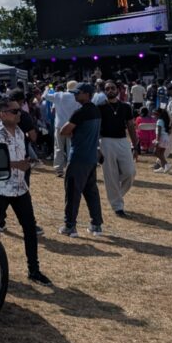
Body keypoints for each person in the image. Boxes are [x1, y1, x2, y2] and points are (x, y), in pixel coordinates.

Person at [0, 95, 51, 285]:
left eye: (19, 110)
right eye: (15, 111)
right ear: (2, 114)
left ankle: (34, 270)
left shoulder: (20, 132)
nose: (19, 113)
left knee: (30, 229)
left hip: (20, 188)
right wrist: (17, 164)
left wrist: (26, 163)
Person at [58, 82, 104, 237]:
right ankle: (96, 225)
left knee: (72, 192)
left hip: (78, 157)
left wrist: (74, 133)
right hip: (91, 158)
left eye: (78, 93)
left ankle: (70, 226)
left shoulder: (80, 112)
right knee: (91, 192)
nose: (75, 95)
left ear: (87, 94)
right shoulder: (96, 111)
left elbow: (64, 131)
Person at [98, 81, 138, 218]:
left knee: (130, 172)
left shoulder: (126, 107)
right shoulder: (100, 107)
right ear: (104, 91)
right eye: (107, 88)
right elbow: (96, 128)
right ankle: (117, 206)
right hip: (105, 141)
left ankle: (116, 196)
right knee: (111, 175)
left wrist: (135, 145)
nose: (110, 90)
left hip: (122, 141)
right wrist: (97, 147)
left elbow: (131, 126)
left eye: (112, 88)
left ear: (118, 90)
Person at [45, 80, 79, 176]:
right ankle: (71, 168)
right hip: (72, 126)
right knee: (71, 147)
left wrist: (49, 87)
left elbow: (46, 96)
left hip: (59, 125)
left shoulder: (59, 95)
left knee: (58, 147)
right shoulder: (77, 97)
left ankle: (59, 169)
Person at [152, 108, 171, 172]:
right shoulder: (163, 120)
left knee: (156, 152)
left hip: (161, 138)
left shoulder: (159, 121)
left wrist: (157, 141)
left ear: (158, 114)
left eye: (154, 114)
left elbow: (158, 132)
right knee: (161, 153)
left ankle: (166, 164)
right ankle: (163, 167)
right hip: (166, 138)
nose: (153, 115)